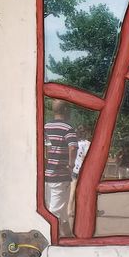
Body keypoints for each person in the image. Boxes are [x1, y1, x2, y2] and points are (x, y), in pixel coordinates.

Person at [44, 99, 78, 237]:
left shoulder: (45, 127)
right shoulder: (68, 129)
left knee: (58, 211)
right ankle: (51, 240)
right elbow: (73, 147)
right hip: (60, 175)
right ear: (65, 110)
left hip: (46, 174)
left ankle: (69, 239)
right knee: (55, 212)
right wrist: (71, 164)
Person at [68, 124, 91, 218]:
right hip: (84, 170)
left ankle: (69, 210)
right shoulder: (88, 144)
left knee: (72, 190)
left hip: (74, 169)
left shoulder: (74, 143)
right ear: (86, 133)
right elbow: (86, 157)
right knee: (88, 190)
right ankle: (88, 210)